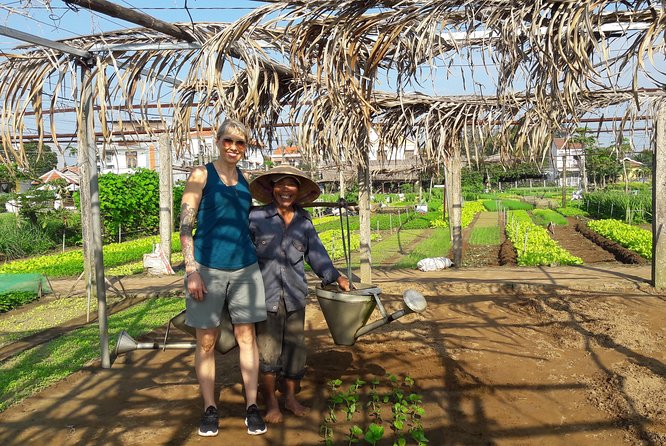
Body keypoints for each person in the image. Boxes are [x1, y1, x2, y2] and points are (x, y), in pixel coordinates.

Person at [179, 118, 268, 437]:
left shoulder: (246, 180)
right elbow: (185, 226)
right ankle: (209, 408)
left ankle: (252, 407)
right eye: (228, 140)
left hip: (245, 266)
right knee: (206, 340)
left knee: (248, 338)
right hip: (207, 267)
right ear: (218, 141)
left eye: (240, 143)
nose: (234, 147)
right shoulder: (201, 174)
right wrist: (191, 270)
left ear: (245, 147)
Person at [248, 165, 351, 423]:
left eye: (291, 185)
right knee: (268, 350)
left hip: (294, 295)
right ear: (272, 189)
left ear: (298, 190)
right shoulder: (255, 218)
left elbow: (316, 254)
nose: (286, 190)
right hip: (264, 295)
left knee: (295, 348)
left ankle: (291, 398)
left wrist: (336, 276)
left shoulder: (304, 222)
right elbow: (242, 254)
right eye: (280, 185)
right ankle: (271, 401)